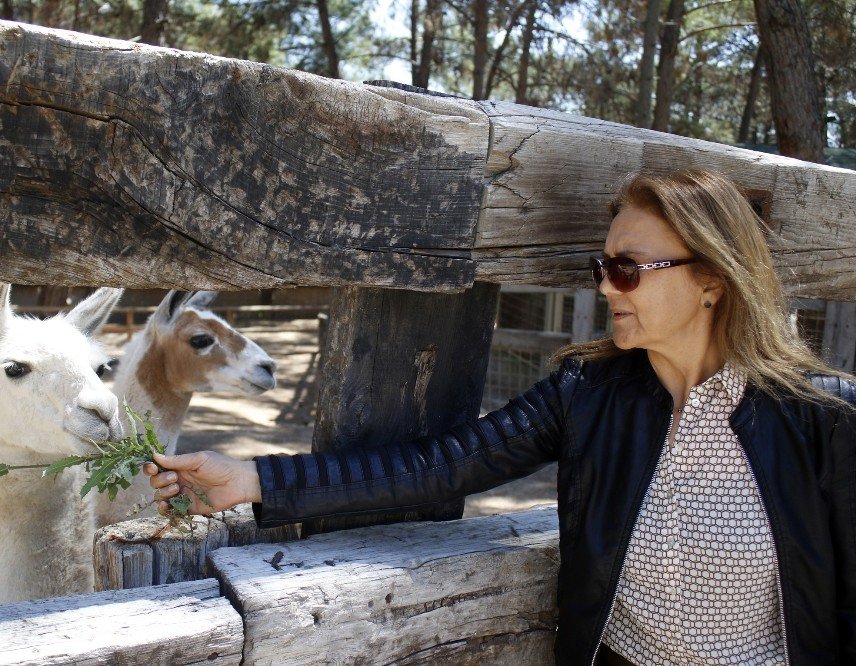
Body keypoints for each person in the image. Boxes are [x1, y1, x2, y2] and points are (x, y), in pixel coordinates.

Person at [144, 169, 855, 666]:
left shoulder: (822, 419)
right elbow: (440, 465)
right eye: (599, 267)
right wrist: (256, 478)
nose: (607, 285)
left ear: (712, 280)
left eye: (629, 269)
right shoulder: (588, 392)